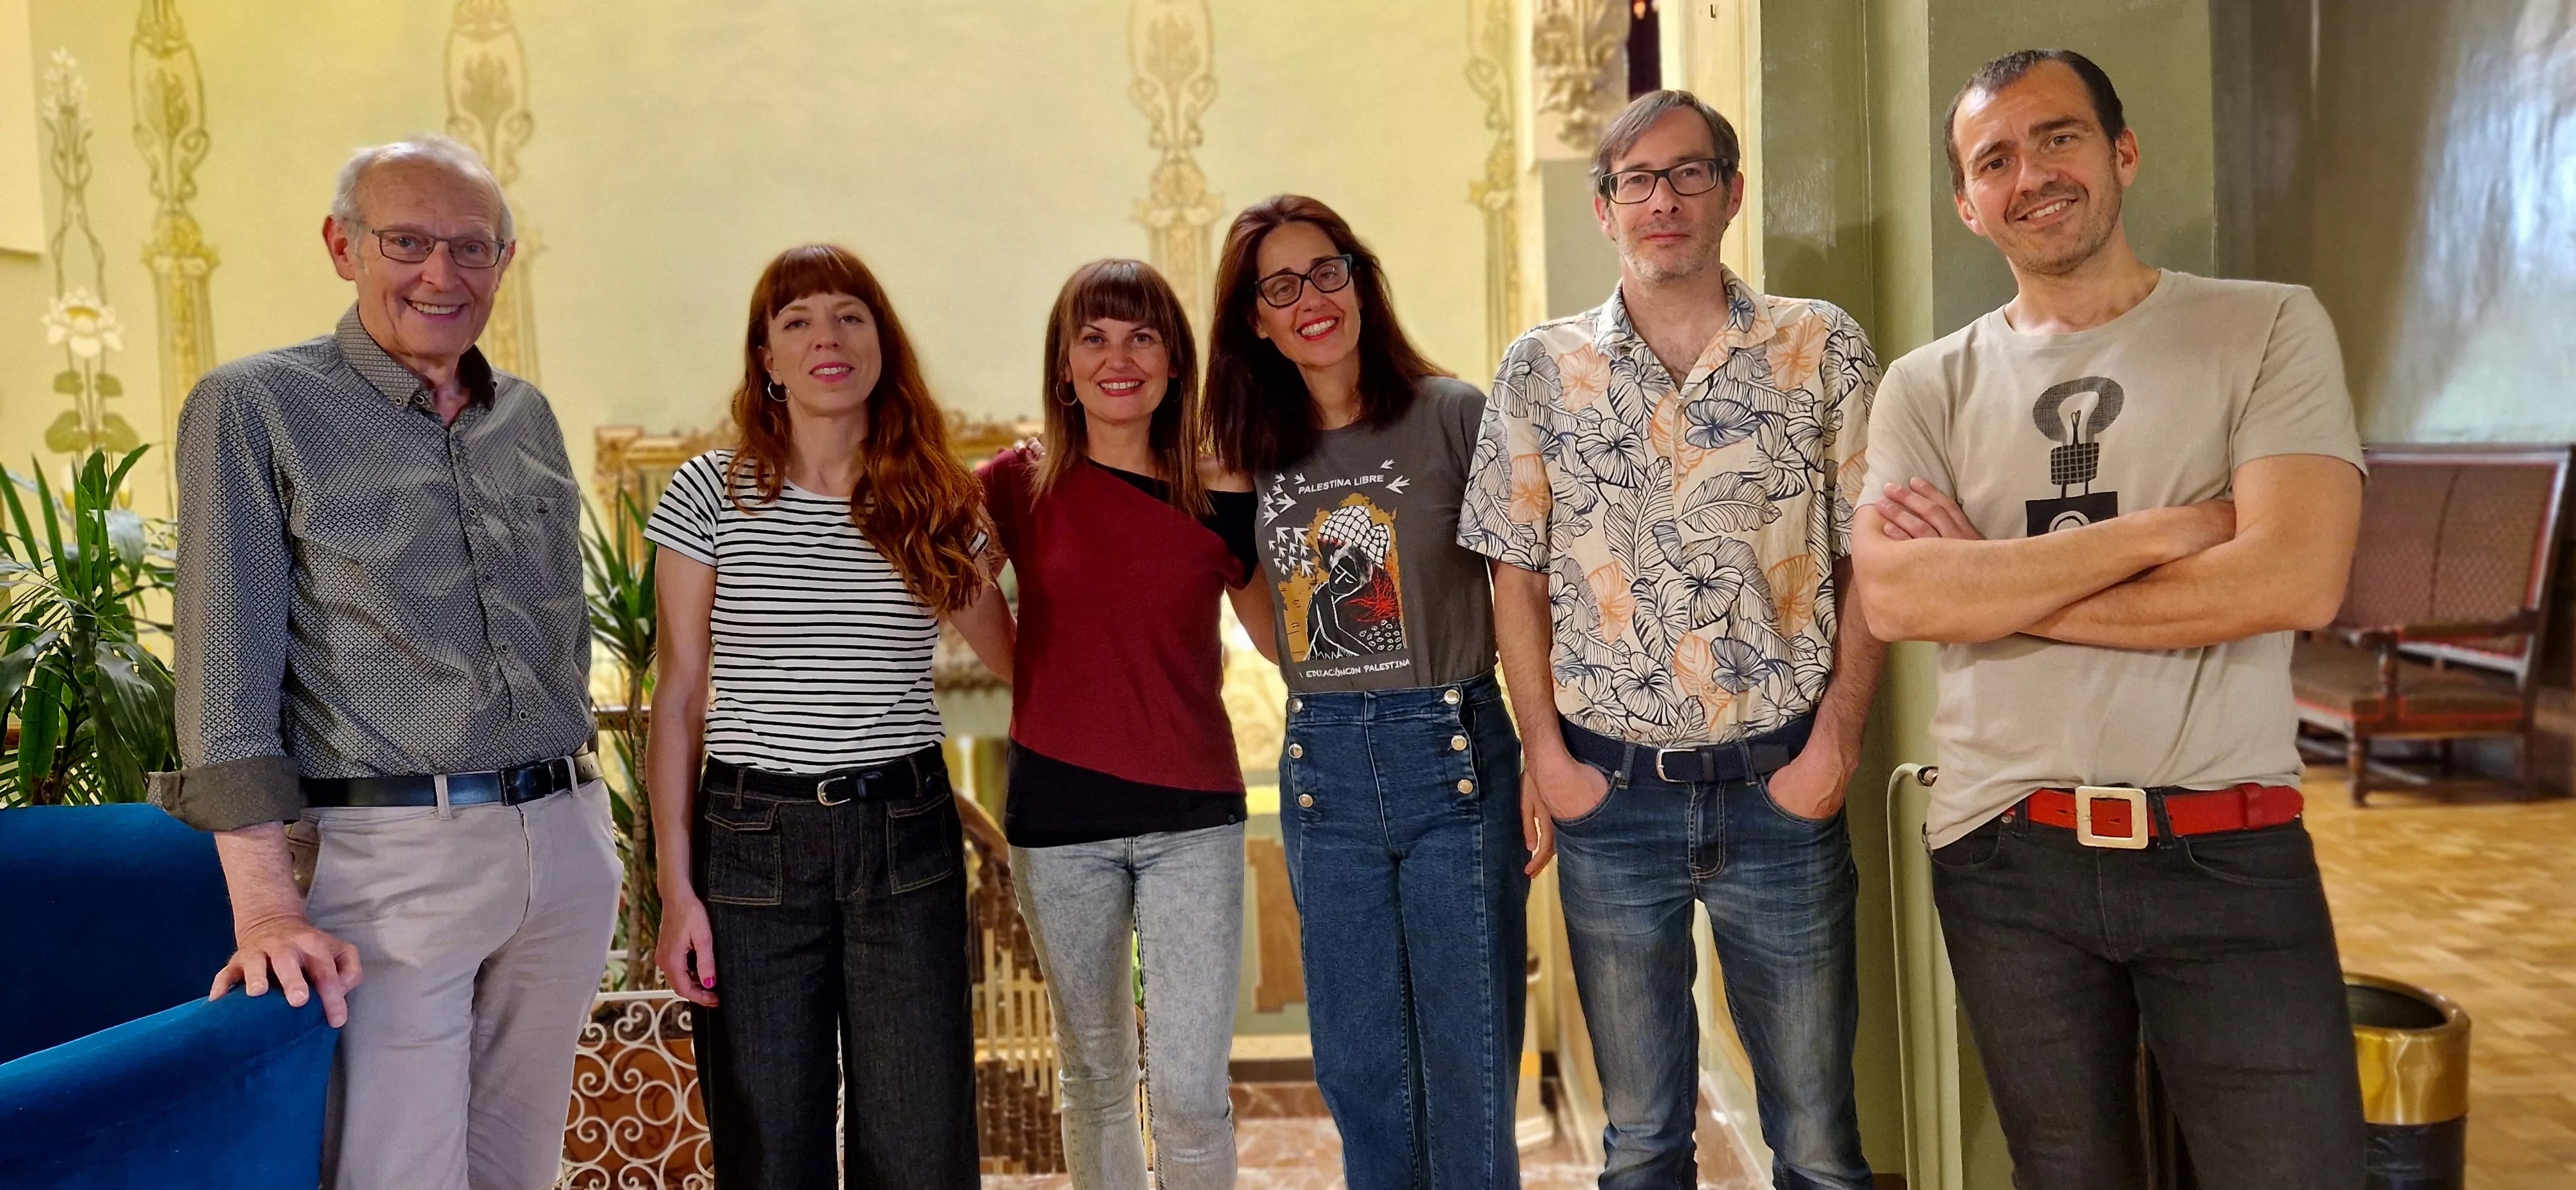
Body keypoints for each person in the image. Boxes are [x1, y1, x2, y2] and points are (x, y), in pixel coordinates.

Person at [1851, 49, 2367, 1185]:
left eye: (2059, 137)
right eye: (1995, 160)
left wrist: (1996, 589)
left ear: (2122, 151)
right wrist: (2161, 533)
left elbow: (2293, 581)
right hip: (2006, 854)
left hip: (2229, 844)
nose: (2030, 173)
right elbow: (1896, 596)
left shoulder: (2268, 327)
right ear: (1967, 204)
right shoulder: (1926, 385)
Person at [155, 135, 616, 1190]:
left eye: (471, 248)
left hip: (566, 841)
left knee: (522, 1169)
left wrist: (592, 842)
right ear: (342, 246)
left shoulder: (526, 416)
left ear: (505, 262)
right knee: (397, 1172)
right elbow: (223, 681)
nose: (439, 275)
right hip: (395, 852)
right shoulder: (255, 407)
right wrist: (268, 909)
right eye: (406, 241)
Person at [1458, 90, 1884, 1189]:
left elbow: (1870, 563)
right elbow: (1515, 576)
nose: (1663, 200)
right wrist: (1547, 759)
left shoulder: (1820, 347)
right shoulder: (1540, 372)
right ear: (1604, 209)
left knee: (1823, 1144)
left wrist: (1836, 743)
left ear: (1732, 192)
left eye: (1689, 173)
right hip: (1613, 801)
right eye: (1636, 181)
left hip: (1782, 786)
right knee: (1643, 1141)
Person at [643, 243, 1012, 1190]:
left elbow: (1025, 663)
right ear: (765, 356)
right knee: (769, 1146)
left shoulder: (934, 500)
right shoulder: (708, 493)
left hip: (905, 836)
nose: (826, 338)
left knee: (921, 1143)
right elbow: (679, 699)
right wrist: (678, 891)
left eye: (850, 315)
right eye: (797, 320)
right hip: (751, 840)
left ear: (882, 343)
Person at [1205, 195, 1530, 1190]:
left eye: (1328, 271)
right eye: (1282, 287)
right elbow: (1272, 632)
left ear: (1360, 278)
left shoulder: (1453, 414)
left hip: (1456, 754)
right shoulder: (1249, 453)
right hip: (1325, 770)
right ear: (1255, 318)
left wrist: (1543, 756)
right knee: (1360, 1069)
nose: (1312, 300)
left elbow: (1519, 590)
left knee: (1467, 1069)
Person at [976, 258, 1262, 1190]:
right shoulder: (1014, 486)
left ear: (1176, 362)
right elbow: (954, 586)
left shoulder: (1222, 490)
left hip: (1195, 820)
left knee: (1187, 1088)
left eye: (1142, 335)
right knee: (1096, 1076)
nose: (1118, 358)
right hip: (1060, 822)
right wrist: (1050, 685)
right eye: (1093, 337)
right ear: (1063, 366)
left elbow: (1278, 635)